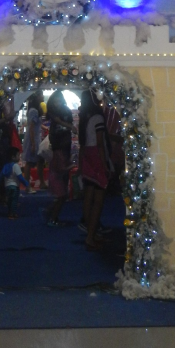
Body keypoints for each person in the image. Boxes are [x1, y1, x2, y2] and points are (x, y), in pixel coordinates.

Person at [78, 90, 110, 250]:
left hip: (87, 156)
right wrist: (105, 164)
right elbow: (100, 142)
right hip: (97, 156)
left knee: (89, 196)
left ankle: (90, 230)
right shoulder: (97, 117)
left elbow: (83, 144)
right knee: (98, 199)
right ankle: (91, 236)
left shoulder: (85, 118)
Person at [45, 90, 75, 226]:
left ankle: (50, 212)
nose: (58, 102)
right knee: (60, 189)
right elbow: (61, 124)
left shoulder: (64, 111)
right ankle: (52, 214)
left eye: (59, 100)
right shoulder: (54, 113)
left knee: (61, 187)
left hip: (63, 145)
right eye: (56, 100)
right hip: (59, 146)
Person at [0, 147, 29, 219]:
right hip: (15, 186)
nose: (19, 157)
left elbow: (0, 176)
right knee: (14, 200)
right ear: (13, 157)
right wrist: (26, 183)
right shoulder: (16, 166)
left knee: (9, 200)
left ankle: (10, 212)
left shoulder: (5, 166)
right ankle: (12, 213)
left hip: (7, 186)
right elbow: (20, 177)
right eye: (18, 156)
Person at [22, 93, 42, 192]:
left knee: (34, 161)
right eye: (41, 95)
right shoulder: (34, 111)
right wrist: (33, 143)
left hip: (33, 138)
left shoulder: (33, 110)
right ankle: (27, 185)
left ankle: (33, 184)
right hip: (32, 139)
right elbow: (31, 127)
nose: (42, 97)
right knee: (29, 163)